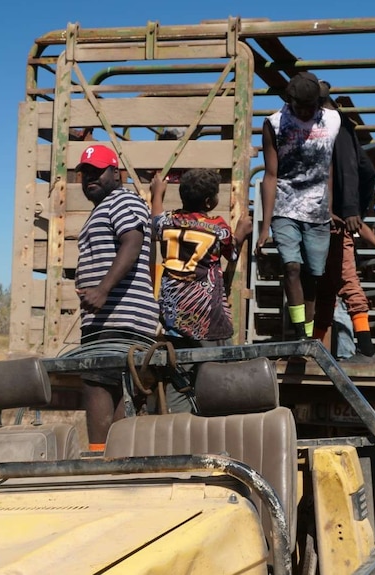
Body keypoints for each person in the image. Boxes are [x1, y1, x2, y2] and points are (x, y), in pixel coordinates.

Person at [74, 144, 159, 451]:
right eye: (85, 173)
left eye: (97, 172)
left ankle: (106, 462)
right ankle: (114, 461)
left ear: (116, 173)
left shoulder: (121, 200)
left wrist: (103, 288)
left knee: (101, 383)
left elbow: (132, 241)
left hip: (119, 317)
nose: (89, 178)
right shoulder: (108, 206)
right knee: (115, 386)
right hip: (113, 318)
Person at [150, 168, 253, 411]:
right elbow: (233, 251)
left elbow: (154, 218)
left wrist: (157, 194)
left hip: (175, 322)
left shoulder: (168, 222)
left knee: (180, 381)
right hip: (209, 321)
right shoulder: (218, 228)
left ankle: (179, 429)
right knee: (220, 379)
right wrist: (241, 232)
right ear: (210, 201)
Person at [256, 71, 341, 339]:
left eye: (310, 106)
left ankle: (308, 333)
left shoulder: (332, 119)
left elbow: (328, 167)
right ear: (289, 101)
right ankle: (299, 334)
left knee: (312, 276)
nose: (304, 112)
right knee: (291, 266)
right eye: (299, 106)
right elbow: (270, 175)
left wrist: (330, 207)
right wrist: (265, 226)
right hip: (285, 204)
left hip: (317, 211)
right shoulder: (275, 124)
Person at [313, 80, 375, 363]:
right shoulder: (337, 125)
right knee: (328, 287)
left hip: (330, 221)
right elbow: (366, 170)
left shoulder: (334, 125)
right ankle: (316, 350)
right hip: (328, 219)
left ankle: (367, 350)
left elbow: (358, 168)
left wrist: (350, 208)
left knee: (344, 281)